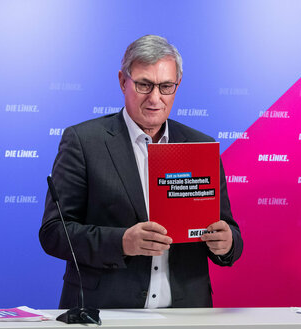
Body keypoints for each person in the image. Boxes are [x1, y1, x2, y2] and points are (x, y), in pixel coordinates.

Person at [39, 35, 243, 309]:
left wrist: (227, 243)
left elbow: (229, 231)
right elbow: (54, 233)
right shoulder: (83, 141)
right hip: (105, 313)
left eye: (166, 86)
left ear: (177, 85)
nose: (155, 98)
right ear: (123, 81)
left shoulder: (200, 146)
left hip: (188, 315)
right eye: (144, 85)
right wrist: (122, 242)